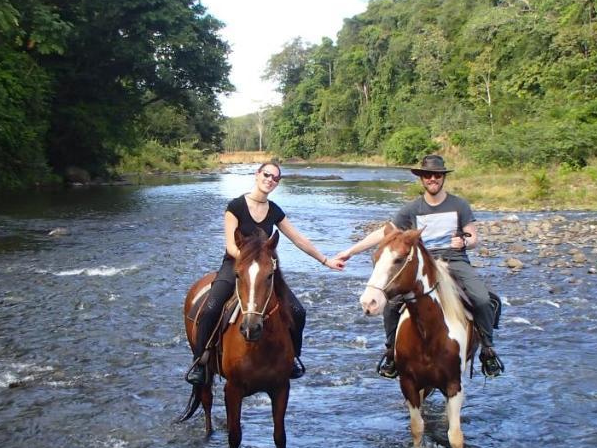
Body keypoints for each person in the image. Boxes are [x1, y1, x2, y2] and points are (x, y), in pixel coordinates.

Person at [333, 154, 504, 378]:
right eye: (428, 175)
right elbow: (383, 233)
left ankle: (488, 350)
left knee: (482, 299)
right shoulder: (412, 209)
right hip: (424, 265)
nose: (432, 179)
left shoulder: (459, 204)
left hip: (455, 261)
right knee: (392, 303)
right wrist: (350, 251)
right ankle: (391, 353)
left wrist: (464, 241)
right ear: (421, 179)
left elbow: (473, 237)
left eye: (437, 175)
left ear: (443, 177)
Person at [185, 161, 346, 387]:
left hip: (265, 272)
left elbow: (299, 239)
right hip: (236, 266)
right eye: (267, 175)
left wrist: (326, 260)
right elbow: (231, 245)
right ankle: (200, 363)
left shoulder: (274, 211)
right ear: (257, 174)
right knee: (211, 307)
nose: (270, 180)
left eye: (276, 178)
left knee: (298, 311)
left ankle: (292, 360)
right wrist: (245, 259)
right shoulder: (235, 206)